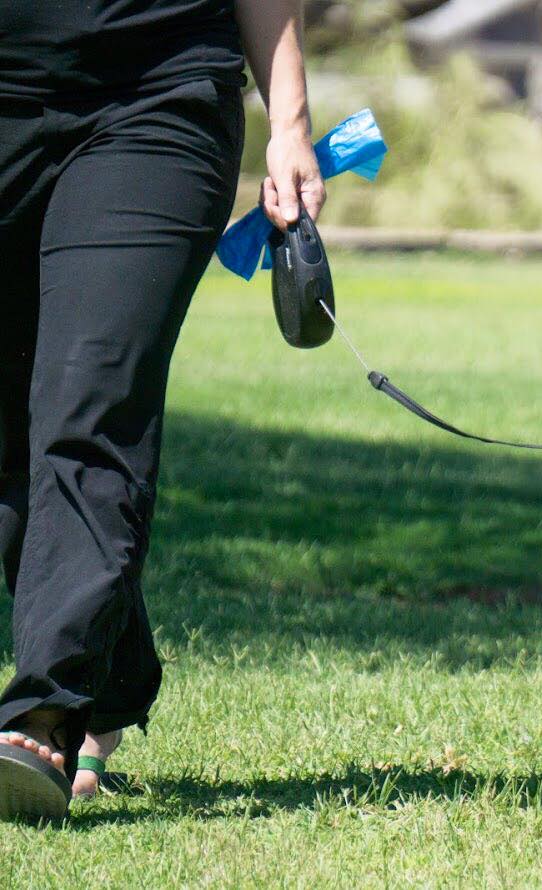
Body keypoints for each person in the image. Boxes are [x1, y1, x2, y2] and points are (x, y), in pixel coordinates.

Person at [0, 0, 325, 820]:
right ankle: (115, 671)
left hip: (157, 95)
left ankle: (43, 709)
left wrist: (288, 123)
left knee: (94, 394)